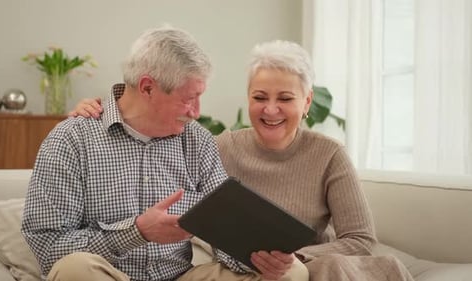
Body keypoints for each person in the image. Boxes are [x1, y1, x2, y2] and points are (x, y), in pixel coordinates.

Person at [71, 39, 415, 280]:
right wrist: (104, 112)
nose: (270, 109)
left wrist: (295, 259)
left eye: (285, 98)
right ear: (248, 98)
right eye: (259, 97)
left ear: (307, 102)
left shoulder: (329, 154)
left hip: (303, 269)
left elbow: (360, 238)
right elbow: (149, 147)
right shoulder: (219, 147)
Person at [21, 26, 307, 281]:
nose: (196, 112)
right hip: (106, 275)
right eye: (189, 98)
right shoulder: (72, 139)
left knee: (291, 272)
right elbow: (48, 247)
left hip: (180, 276)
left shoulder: (197, 141)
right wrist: (137, 232)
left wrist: (260, 258)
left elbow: (227, 235)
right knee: (75, 270)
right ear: (147, 87)